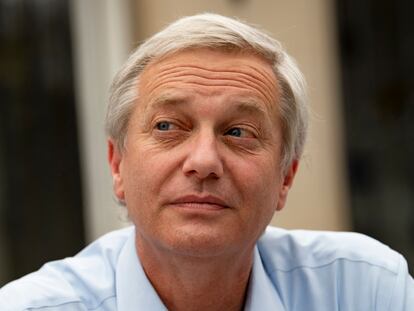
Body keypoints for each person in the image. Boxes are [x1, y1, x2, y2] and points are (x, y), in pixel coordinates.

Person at [1, 13, 413, 311]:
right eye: (168, 126)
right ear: (117, 165)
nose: (203, 162)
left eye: (238, 132)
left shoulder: (363, 290)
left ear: (285, 177)